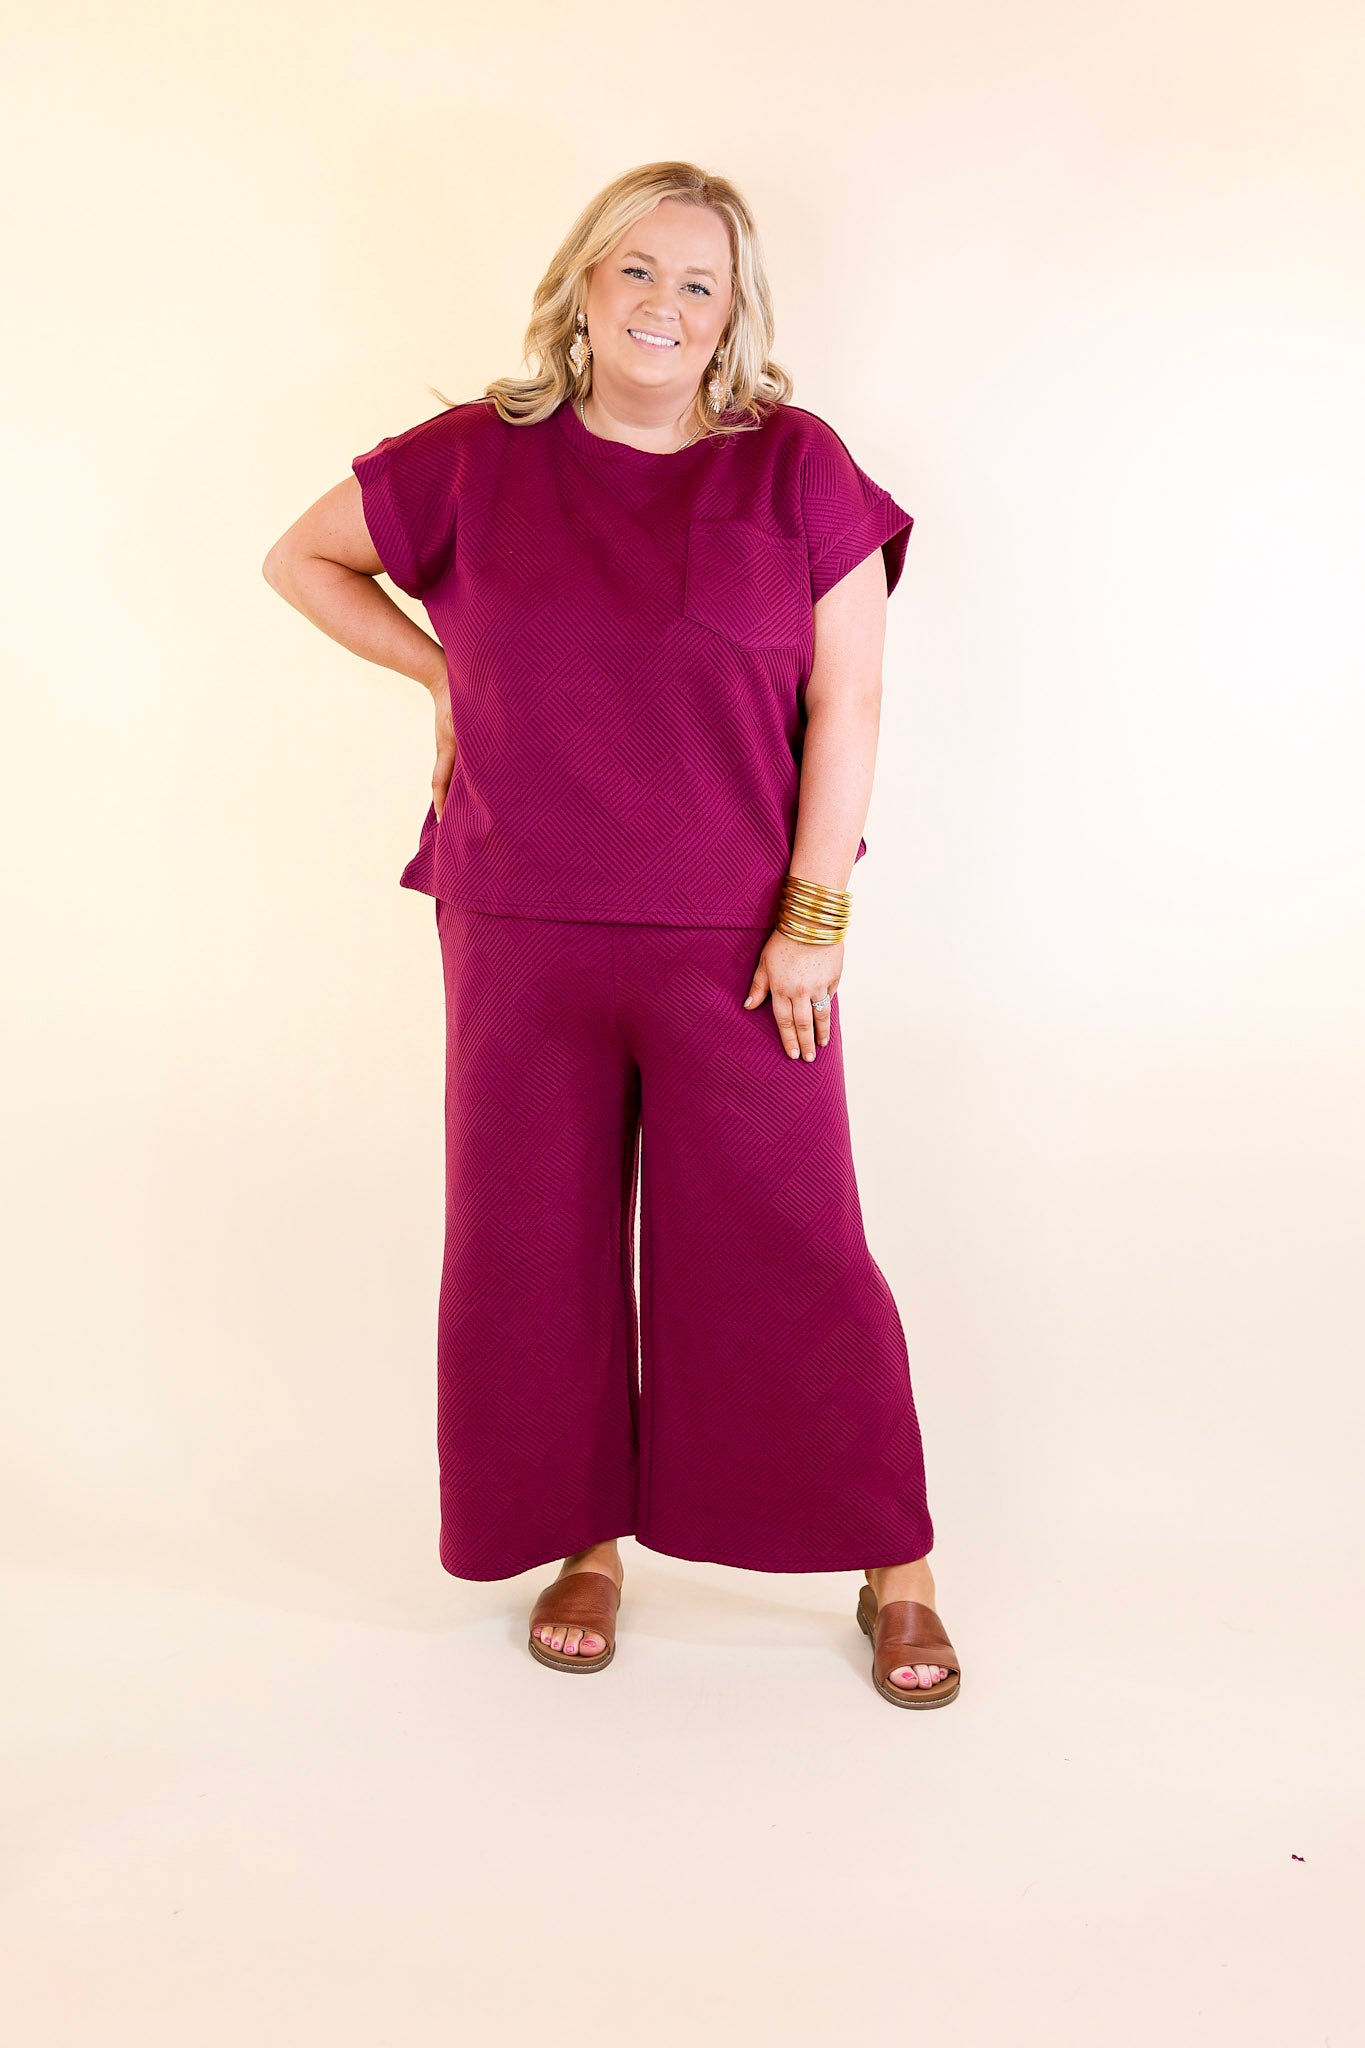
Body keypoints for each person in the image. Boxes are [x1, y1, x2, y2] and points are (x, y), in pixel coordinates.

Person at [263, 159, 960, 1710]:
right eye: (635, 269)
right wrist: (442, 674)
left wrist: (814, 916)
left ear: (733, 314)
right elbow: (299, 559)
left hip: (738, 941)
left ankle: (894, 1564)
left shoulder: (796, 466)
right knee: (533, 1249)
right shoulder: (469, 460)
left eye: (697, 282)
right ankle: (581, 1543)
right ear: (581, 286)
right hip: (517, 921)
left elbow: (849, 700)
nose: (663, 303)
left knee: (792, 1244)